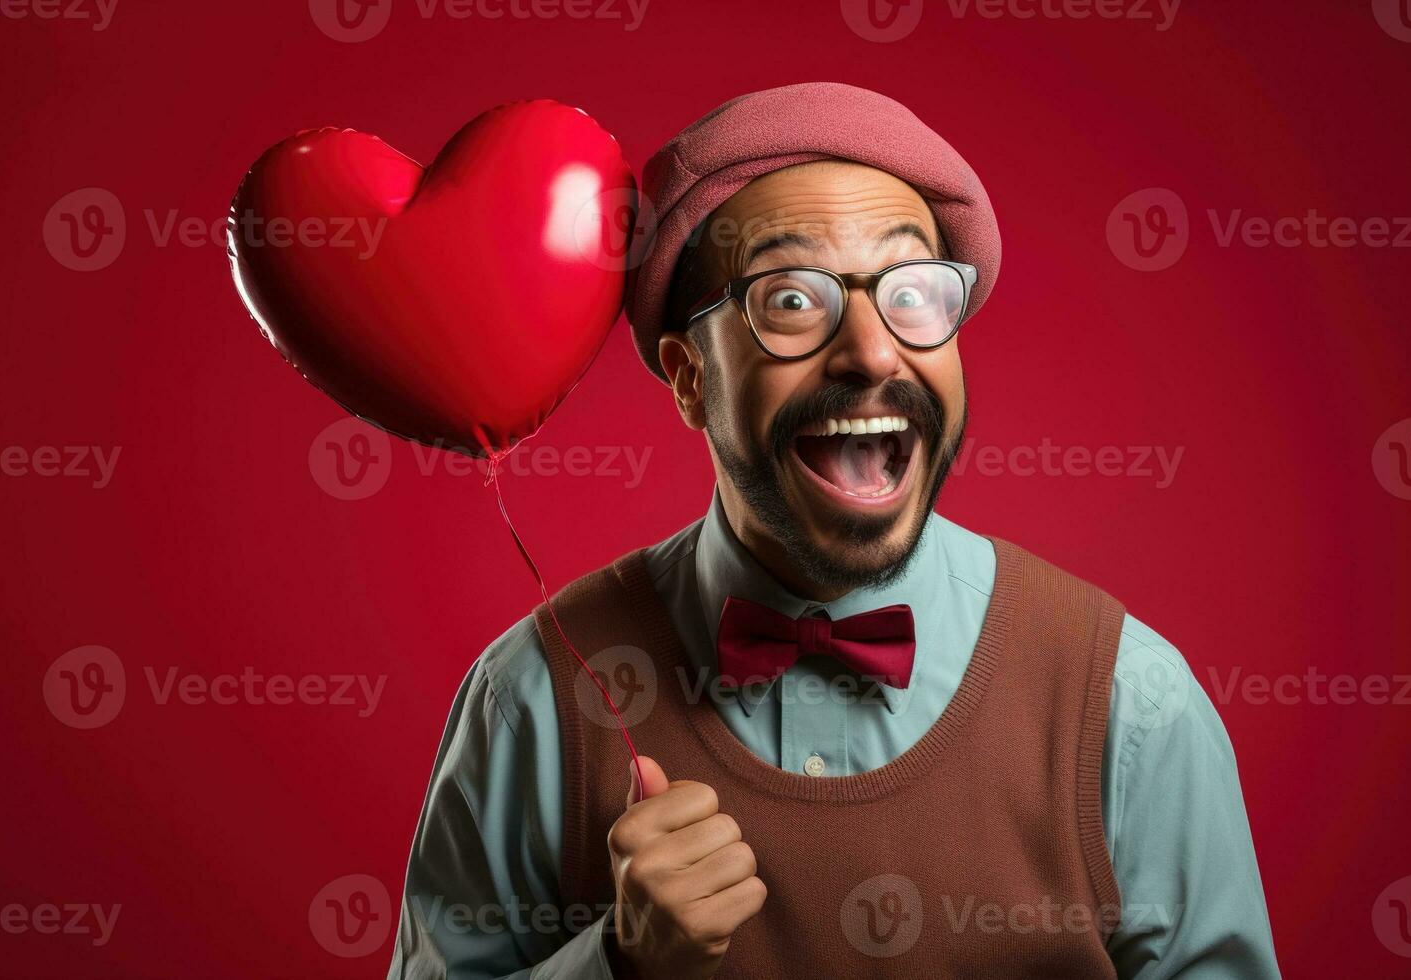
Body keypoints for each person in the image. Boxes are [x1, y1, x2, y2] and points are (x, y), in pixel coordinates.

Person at [389, 82, 1281, 979]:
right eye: (791, 301)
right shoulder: (532, 701)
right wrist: (617, 963)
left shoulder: (1133, 705)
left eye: (914, 294)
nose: (872, 352)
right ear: (690, 376)